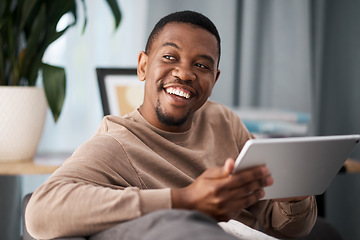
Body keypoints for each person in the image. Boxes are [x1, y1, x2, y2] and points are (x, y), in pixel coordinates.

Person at [25, 10, 317, 240]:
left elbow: (286, 226)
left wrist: (296, 197)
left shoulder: (224, 121)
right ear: (142, 66)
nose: (184, 73)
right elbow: (39, 213)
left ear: (214, 80)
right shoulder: (117, 143)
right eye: (169, 57)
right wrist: (184, 199)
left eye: (201, 65)